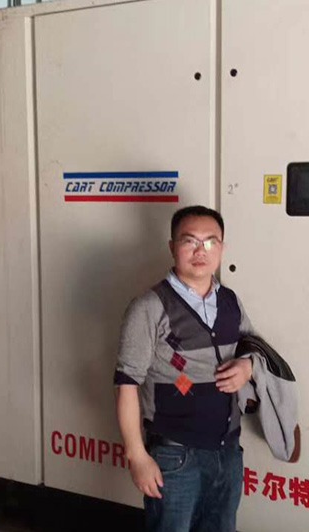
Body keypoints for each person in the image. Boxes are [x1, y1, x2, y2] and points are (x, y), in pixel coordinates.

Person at [114, 205, 255, 532]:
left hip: (227, 451)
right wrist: (137, 456)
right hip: (175, 455)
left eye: (210, 242)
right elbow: (126, 383)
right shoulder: (149, 307)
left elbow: (253, 347)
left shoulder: (230, 301)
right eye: (189, 241)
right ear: (172, 247)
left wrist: (248, 366)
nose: (200, 251)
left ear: (222, 247)